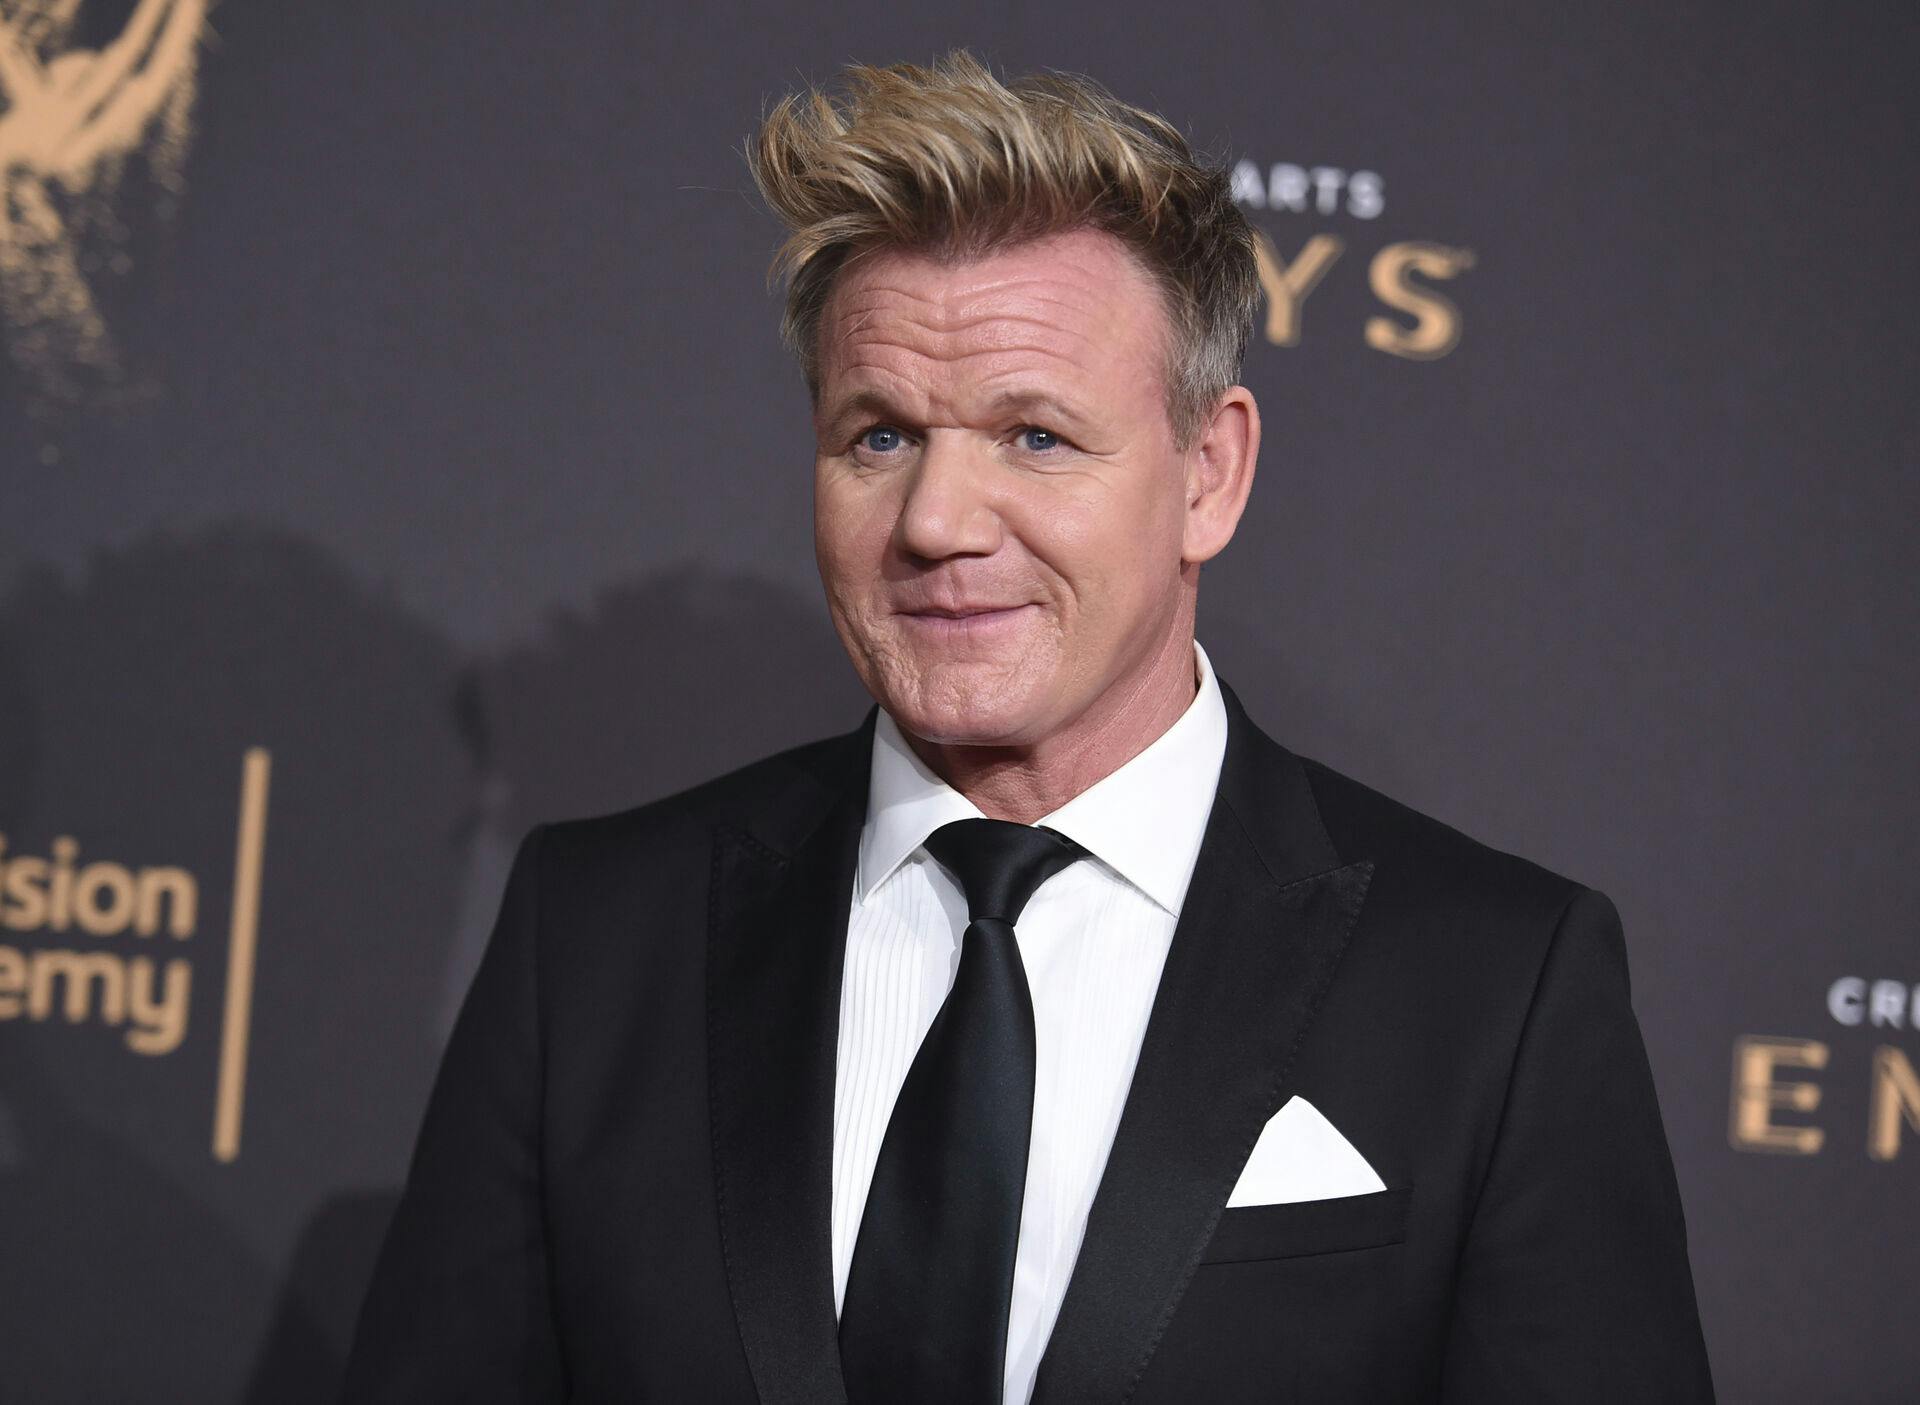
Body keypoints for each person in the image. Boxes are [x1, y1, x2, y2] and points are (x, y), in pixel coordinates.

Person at [342, 51, 1714, 1403]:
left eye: (1037, 437)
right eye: (879, 435)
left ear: (1209, 474)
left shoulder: (1491, 985)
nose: (937, 522)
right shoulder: (596, 937)